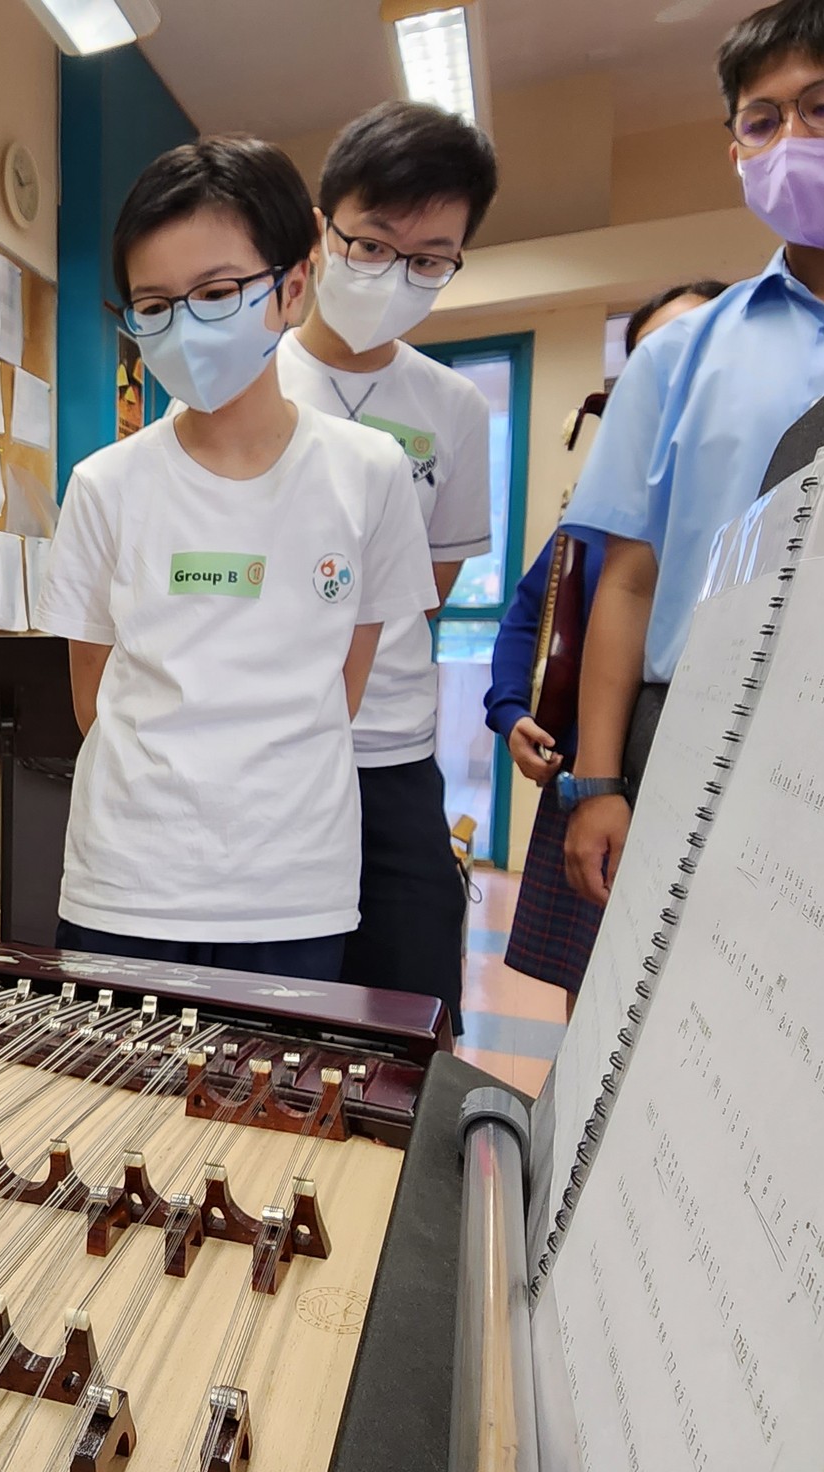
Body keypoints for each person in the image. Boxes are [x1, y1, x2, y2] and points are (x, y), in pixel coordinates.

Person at [561, 0, 824, 904]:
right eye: (762, 121)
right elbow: (628, 582)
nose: (791, 141)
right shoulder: (676, 357)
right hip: (685, 728)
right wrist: (598, 781)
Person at [36, 137, 436, 982]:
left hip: (293, 889)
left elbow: (341, 689)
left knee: (272, 1075)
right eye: (154, 304)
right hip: (127, 886)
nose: (185, 327)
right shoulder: (104, 485)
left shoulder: (369, 473)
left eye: (217, 293)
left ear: (293, 286)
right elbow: (92, 700)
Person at [278, 99, 499, 1018]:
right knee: (273, 1012)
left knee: (409, 1008)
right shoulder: (243, 383)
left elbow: (429, 589)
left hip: (394, 757)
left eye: (429, 259)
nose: (395, 274)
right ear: (321, 231)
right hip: (269, 748)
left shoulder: (454, 409)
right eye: (371, 244)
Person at [488, 281, 725, 1011]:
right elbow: (528, 616)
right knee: (591, 986)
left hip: (713, 770)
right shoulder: (603, 511)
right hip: (601, 776)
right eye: (653, 361)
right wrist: (509, 713)